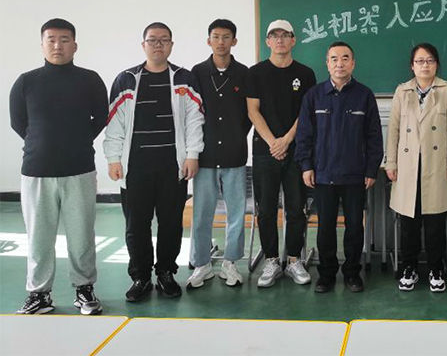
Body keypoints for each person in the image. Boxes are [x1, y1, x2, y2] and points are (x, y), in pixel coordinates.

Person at [10, 18, 107, 315]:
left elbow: (101, 116)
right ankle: (39, 294)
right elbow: (18, 122)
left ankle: (84, 289)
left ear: (75, 45)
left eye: (64, 40)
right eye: (51, 40)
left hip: (79, 169)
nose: (57, 45)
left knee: (82, 236)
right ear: (42, 45)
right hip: (36, 171)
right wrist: (42, 144)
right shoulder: (26, 82)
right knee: (38, 237)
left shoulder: (90, 80)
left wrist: (77, 141)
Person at [104, 22, 204, 302]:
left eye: (164, 40)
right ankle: (140, 277)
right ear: (143, 45)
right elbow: (114, 123)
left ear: (171, 45)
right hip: (135, 167)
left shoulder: (184, 78)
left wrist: (192, 154)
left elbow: (195, 119)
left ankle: (166, 273)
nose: (158, 44)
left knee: (171, 223)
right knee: (136, 225)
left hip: (173, 167)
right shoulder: (126, 79)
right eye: (152, 40)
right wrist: (113, 158)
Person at [295, 41, 383, 293]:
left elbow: (374, 136)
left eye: (345, 58)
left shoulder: (364, 95)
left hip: (356, 174)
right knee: (325, 228)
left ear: (353, 63)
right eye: (334, 59)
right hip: (323, 174)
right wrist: (306, 166)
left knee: (354, 226)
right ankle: (326, 274)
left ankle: (353, 273)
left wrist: (371, 169)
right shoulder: (314, 96)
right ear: (327, 64)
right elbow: (304, 135)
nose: (339, 63)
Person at [385, 43, 447, 292]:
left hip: (436, 165)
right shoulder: (402, 91)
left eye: (429, 60)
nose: (425, 65)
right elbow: (394, 130)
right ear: (412, 66)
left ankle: (435, 268)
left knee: (435, 223)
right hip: (407, 167)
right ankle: (408, 267)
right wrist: (391, 162)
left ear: (436, 64)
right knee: (409, 223)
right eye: (420, 61)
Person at [246, 19, 316, 288]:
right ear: (267, 41)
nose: (279, 40)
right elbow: (253, 111)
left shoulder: (306, 74)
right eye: (274, 36)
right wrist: (273, 142)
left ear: (293, 40)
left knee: (297, 208)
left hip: (297, 150)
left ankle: (294, 259)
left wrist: (286, 140)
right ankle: (272, 260)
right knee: (265, 209)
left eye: (285, 35)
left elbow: (306, 113)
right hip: (265, 151)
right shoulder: (255, 73)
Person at [186, 19, 251, 289]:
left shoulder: (244, 73)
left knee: (236, 213)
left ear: (234, 41)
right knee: (202, 214)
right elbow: (192, 112)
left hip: (235, 155)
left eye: (226, 37)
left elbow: (249, 114)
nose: (221, 42)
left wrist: (236, 135)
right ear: (208, 40)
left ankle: (230, 263)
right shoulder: (197, 72)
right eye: (216, 37)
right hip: (205, 155)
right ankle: (202, 264)